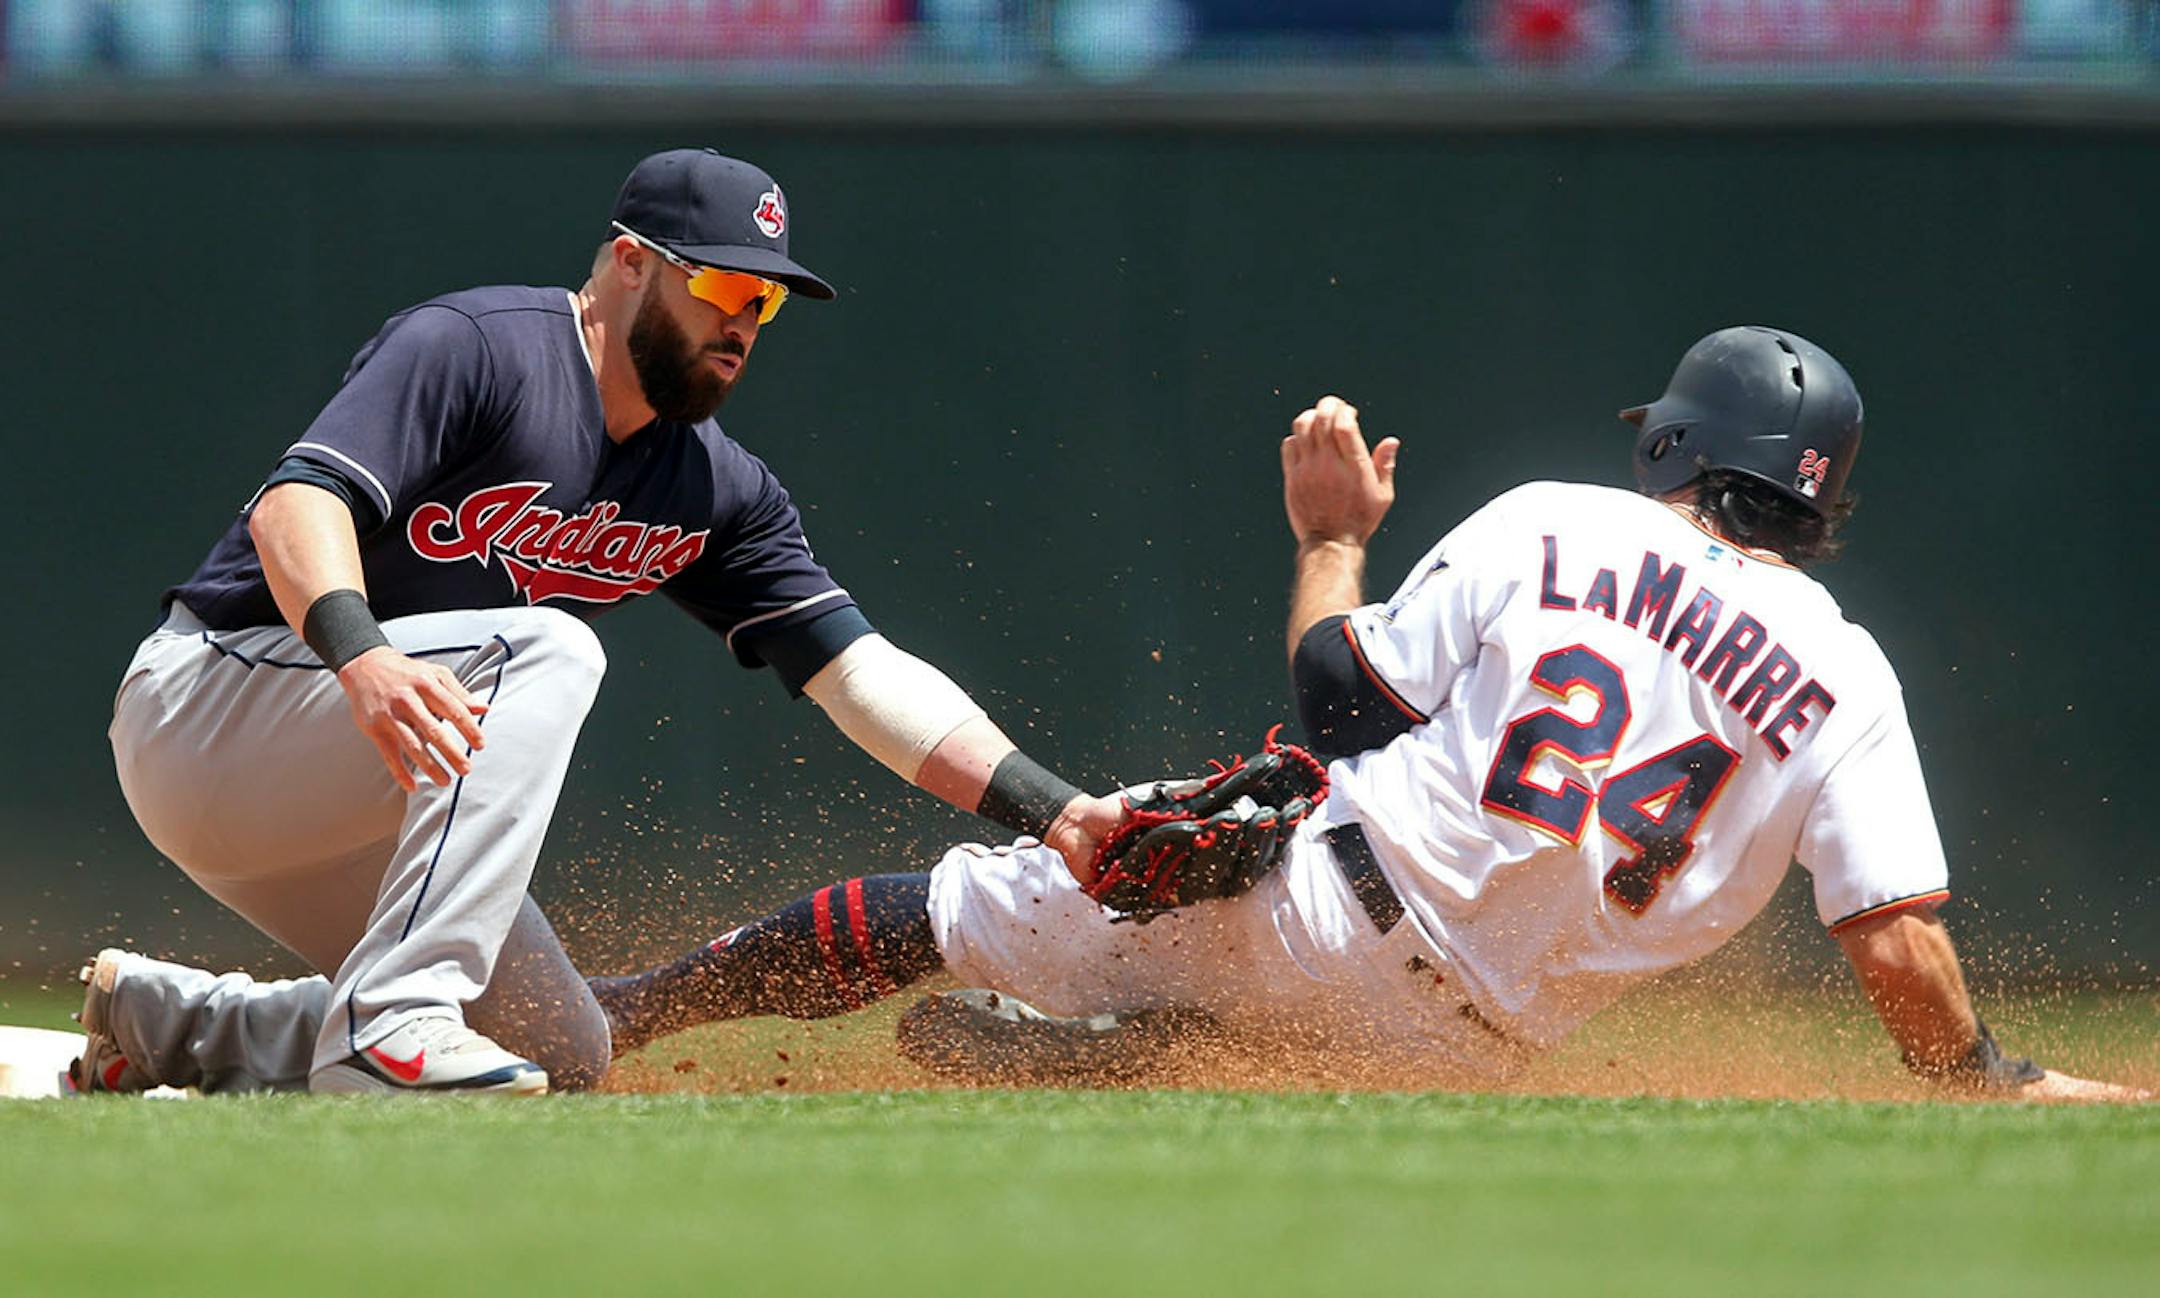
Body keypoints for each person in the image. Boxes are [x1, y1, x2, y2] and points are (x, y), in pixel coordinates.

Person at [593, 326, 2143, 1102]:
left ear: (1675, 442)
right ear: (1820, 500)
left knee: (968, 901)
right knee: (1265, 991)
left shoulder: (1564, 519)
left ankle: (619, 1011)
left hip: (1320, 913)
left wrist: (1333, 538)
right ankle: (1141, 1046)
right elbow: (1894, 939)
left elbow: (1338, 704)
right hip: (1455, 1055)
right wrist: (1984, 1081)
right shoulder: (1850, 673)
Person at [78, 147, 1122, 1097]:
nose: (742, 320)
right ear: (629, 261)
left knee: (562, 1049)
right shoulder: (478, 348)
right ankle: (394, 1015)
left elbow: (857, 674)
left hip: (360, 784)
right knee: (552, 645)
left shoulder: (715, 486)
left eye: (766, 299)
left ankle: (175, 1023)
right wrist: (365, 655)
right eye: (719, 282)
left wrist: (1057, 810)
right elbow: (295, 505)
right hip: (212, 708)